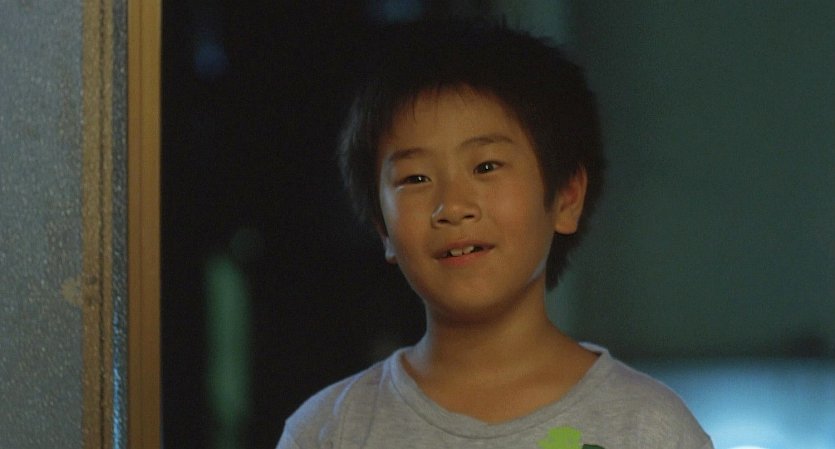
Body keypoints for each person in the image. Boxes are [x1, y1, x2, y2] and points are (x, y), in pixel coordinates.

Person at [277, 19, 714, 449]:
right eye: (415, 178)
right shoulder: (330, 430)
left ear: (566, 197)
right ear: (383, 229)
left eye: (486, 167)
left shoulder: (648, 428)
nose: (452, 207)